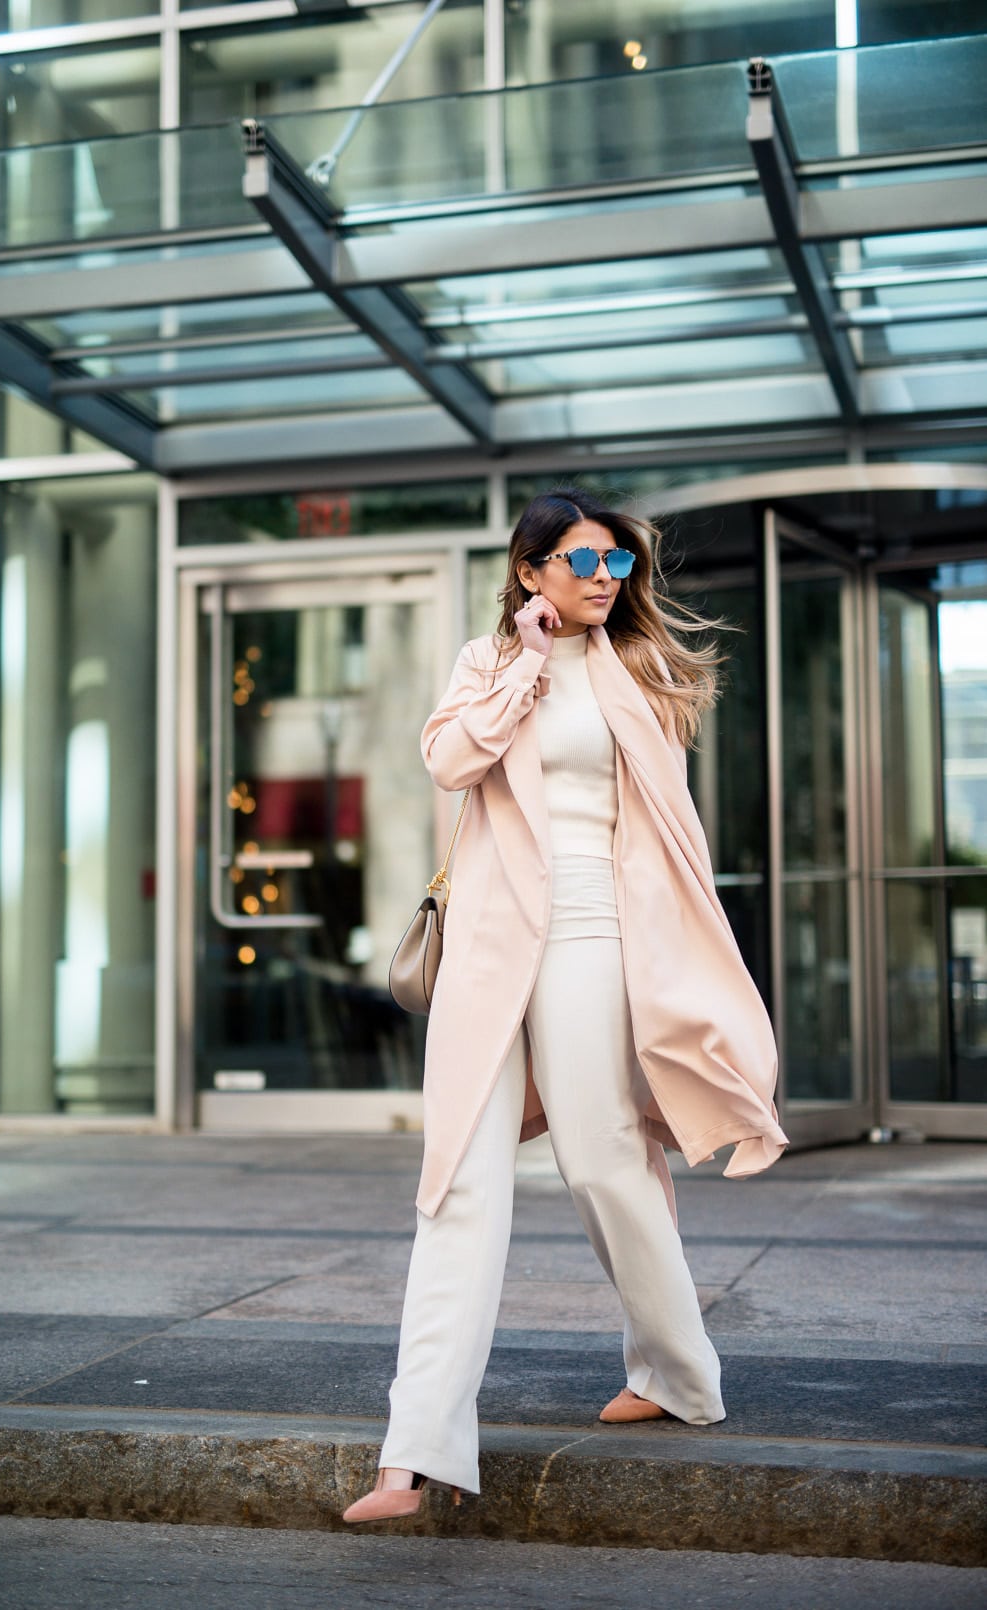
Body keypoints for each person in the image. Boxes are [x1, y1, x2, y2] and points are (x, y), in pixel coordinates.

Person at [343, 489, 788, 1523]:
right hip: (494, 945)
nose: (602, 580)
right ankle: (411, 1451)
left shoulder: (640, 669)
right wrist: (526, 662)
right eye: (581, 563)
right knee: (457, 1179)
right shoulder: (488, 663)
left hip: (596, 934)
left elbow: (665, 833)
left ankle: (678, 1372)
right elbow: (450, 760)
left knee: (601, 1156)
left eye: (616, 565)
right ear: (529, 571)